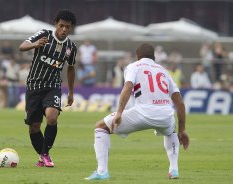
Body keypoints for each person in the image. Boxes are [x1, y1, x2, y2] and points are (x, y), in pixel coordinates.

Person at [85, 43, 189, 180]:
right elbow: (179, 102)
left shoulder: (133, 66)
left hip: (143, 112)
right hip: (165, 114)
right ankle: (174, 170)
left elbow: (128, 87)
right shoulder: (164, 70)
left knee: (101, 127)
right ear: (154, 57)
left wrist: (119, 112)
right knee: (171, 131)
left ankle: (102, 171)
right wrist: (182, 130)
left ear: (137, 56)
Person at [19, 9, 77, 168]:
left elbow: (71, 68)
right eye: (61, 26)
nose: (64, 30)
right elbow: (22, 46)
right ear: (55, 24)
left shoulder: (71, 47)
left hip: (53, 87)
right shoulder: (44, 35)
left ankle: (45, 154)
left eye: (67, 27)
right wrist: (35, 44)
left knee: (52, 117)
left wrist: (71, 91)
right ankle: (43, 156)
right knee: (34, 127)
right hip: (34, 86)